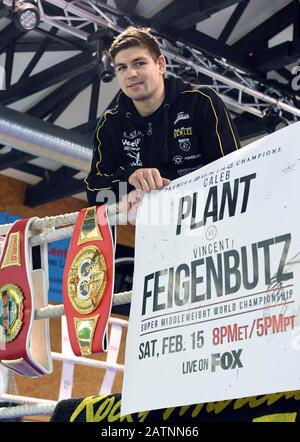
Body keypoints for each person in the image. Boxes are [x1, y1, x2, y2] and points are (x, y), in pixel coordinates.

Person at [85, 26, 240, 211]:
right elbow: (94, 191)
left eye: (139, 63)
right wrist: (130, 178)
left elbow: (232, 170)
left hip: (211, 216)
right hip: (154, 231)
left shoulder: (200, 101)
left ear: (160, 65)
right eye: (122, 67)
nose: (131, 73)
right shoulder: (111, 124)